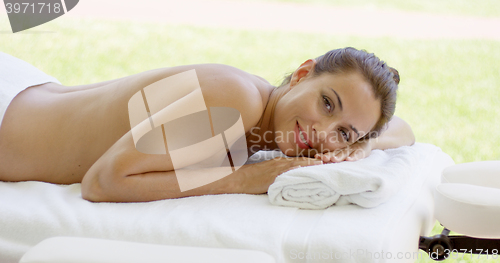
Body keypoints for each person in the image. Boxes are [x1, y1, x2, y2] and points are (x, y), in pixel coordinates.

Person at [0, 47, 414, 202]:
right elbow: (104, 181)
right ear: (303, 73)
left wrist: (360, 146)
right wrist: (239, 179)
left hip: (27, 91)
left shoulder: (267, 115)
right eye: (327, 103)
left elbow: (405, 131)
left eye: (343, 130)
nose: (323, 133)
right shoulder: (237, 100)